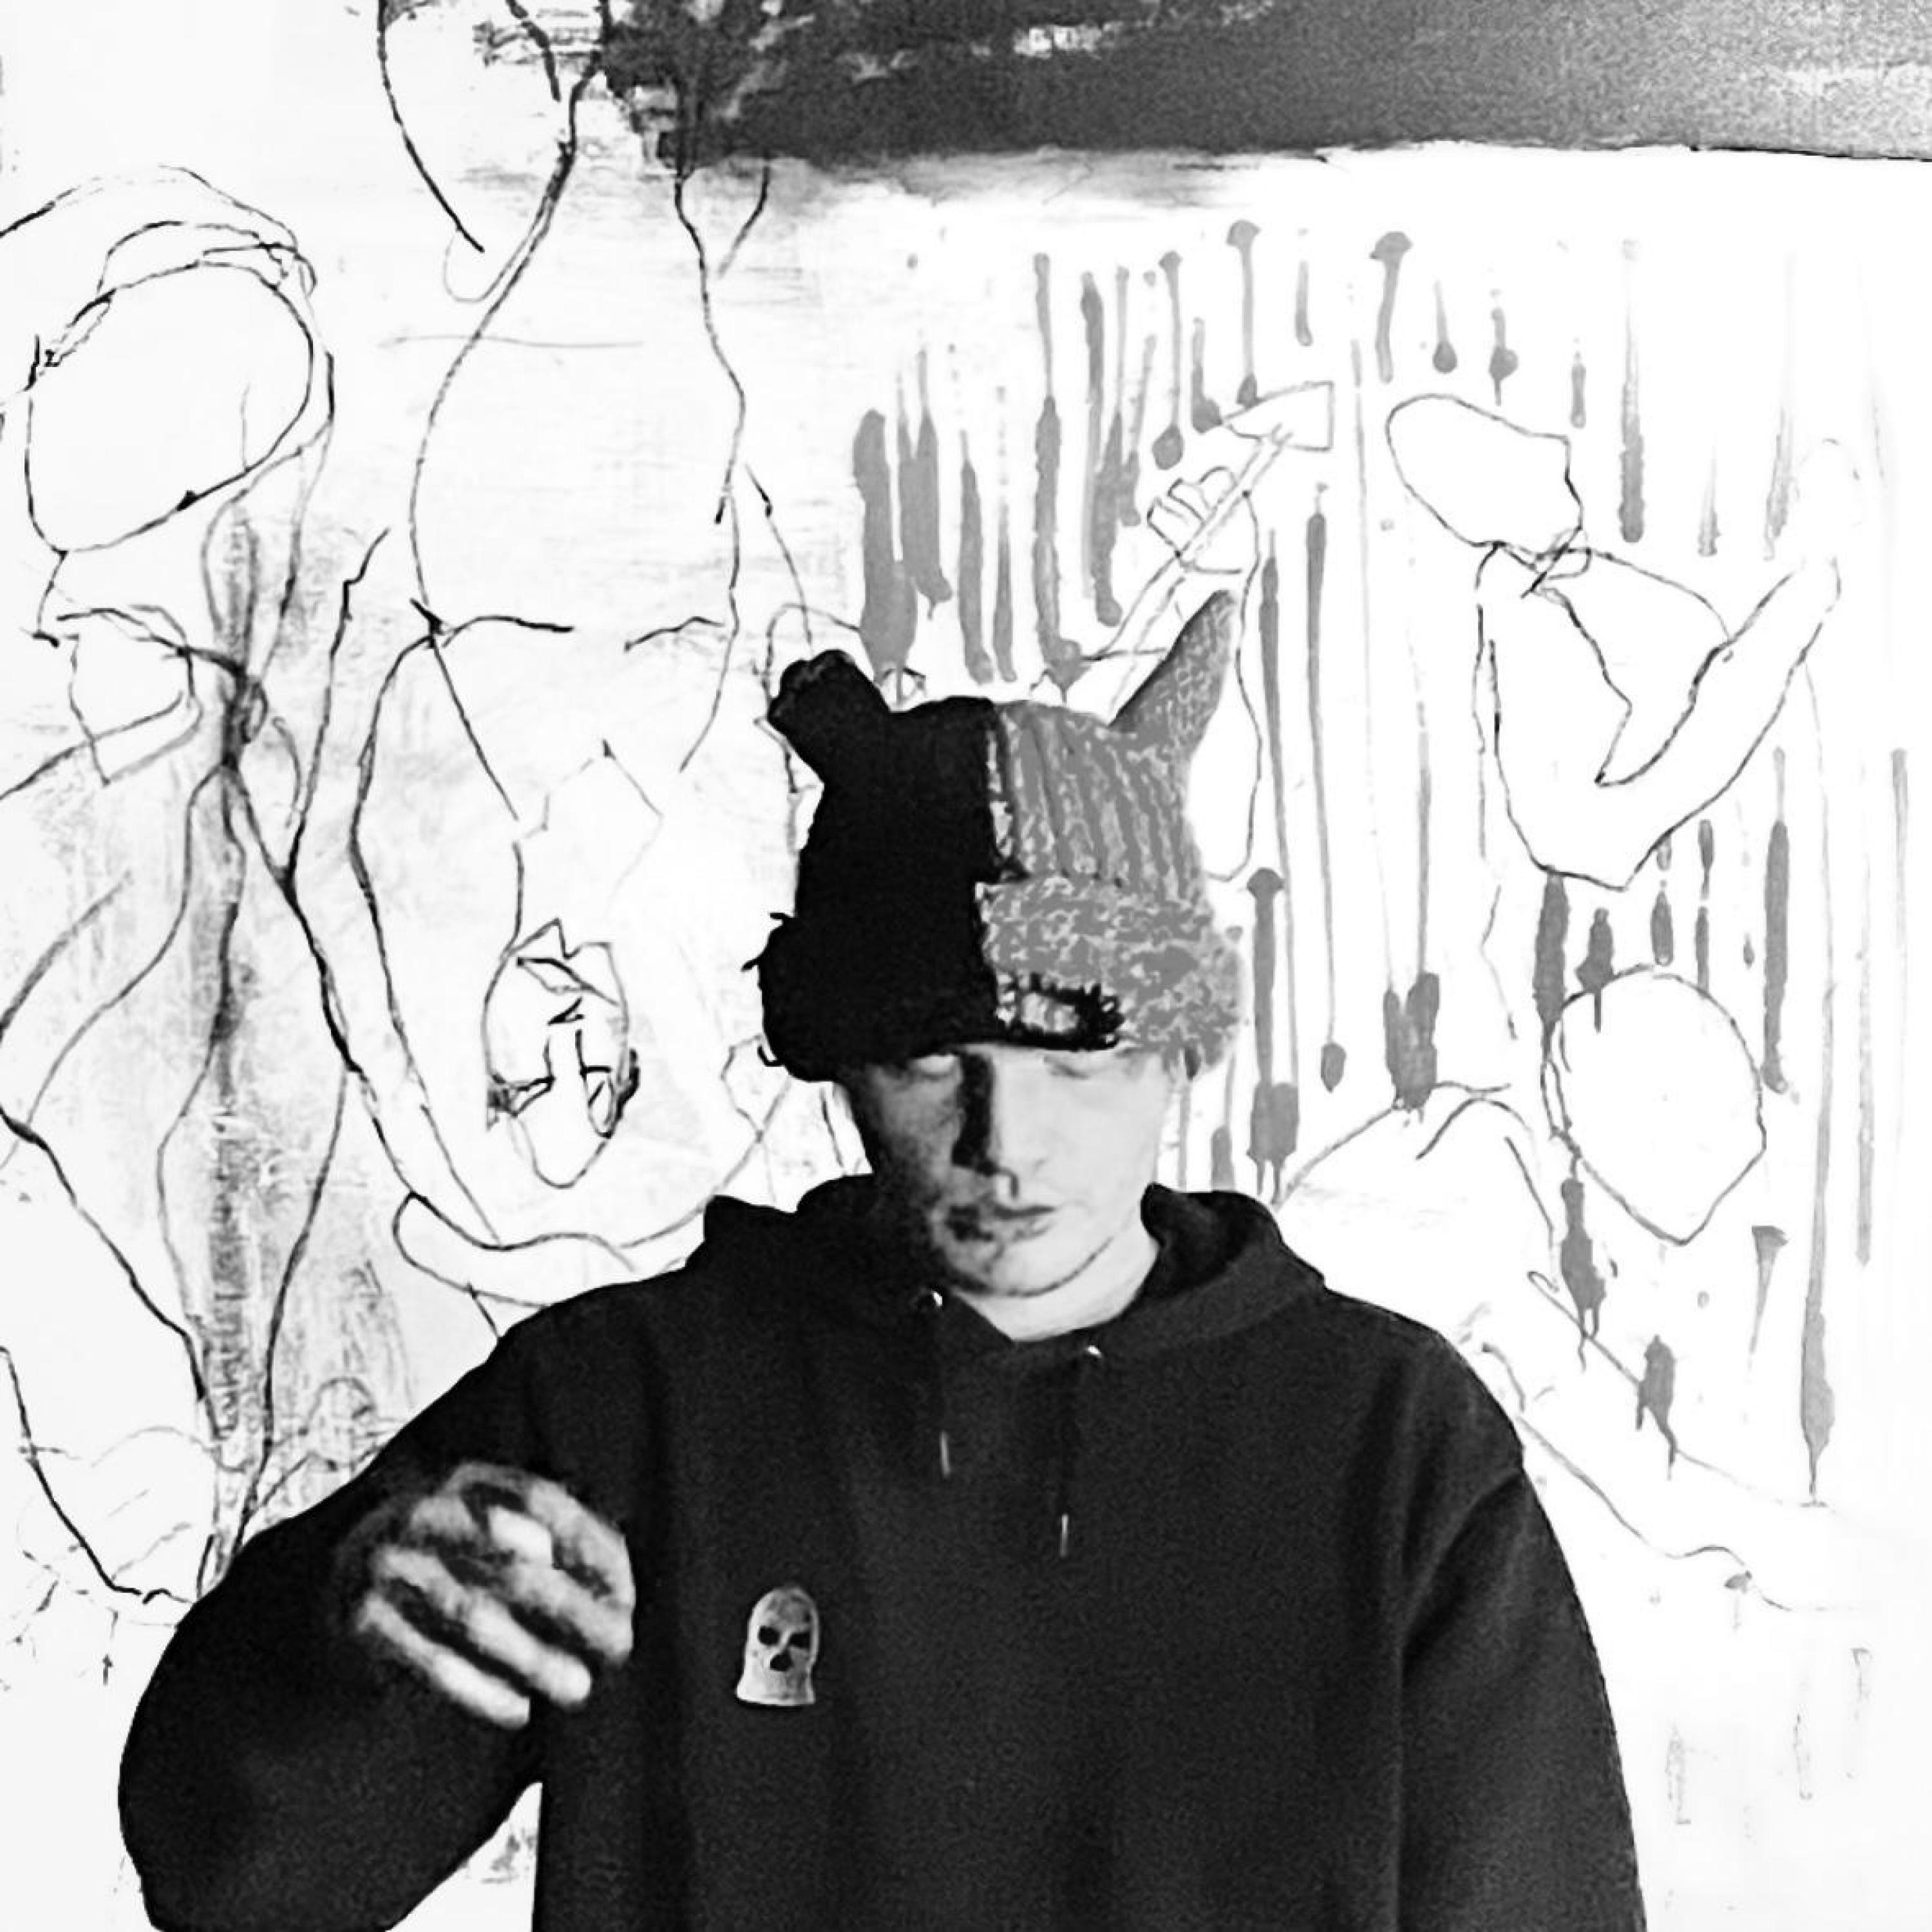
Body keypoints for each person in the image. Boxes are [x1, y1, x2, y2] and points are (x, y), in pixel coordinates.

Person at [118, 574, 1647, 1929]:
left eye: (1078, 1057)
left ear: (1182, 1047)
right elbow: (234, 1887)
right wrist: (336, 1629)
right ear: (836, 1056)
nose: (1007, 1138)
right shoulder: (625, 1409)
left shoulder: (1388, 1441)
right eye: (931, 1058)